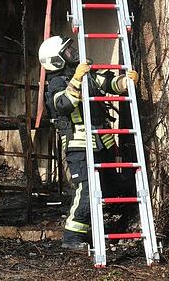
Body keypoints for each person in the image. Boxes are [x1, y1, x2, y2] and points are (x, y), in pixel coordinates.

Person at [38, 35, 138, 250]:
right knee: (86, 189)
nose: (72, 51)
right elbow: (63, 104)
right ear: (57, 60)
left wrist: (126, 80)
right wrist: (75, 79)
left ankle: (93, 228)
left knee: (112, 186)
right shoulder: (56, 83)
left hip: (103, 143)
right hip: (80, 147)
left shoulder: (87, 75)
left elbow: (109, 83)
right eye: (67, 50)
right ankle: (71, 237)